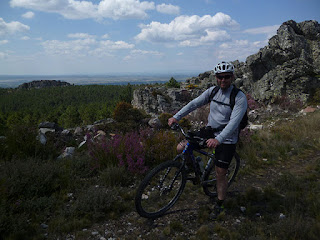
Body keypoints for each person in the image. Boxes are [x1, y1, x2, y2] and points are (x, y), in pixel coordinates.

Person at [168, 61, 248, 219]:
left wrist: (219, 139)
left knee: (220, 173)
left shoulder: (239, 97)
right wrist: (176, 117)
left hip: (227, 137)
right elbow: (194, 104)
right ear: (216, 77)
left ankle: (220, 203)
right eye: (220, 77)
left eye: (226, 77)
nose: (223, 80)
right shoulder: (212, 91)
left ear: (232, 77)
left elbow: (234, 123)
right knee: (181, 148)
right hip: (210, 131)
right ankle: (196, 170)